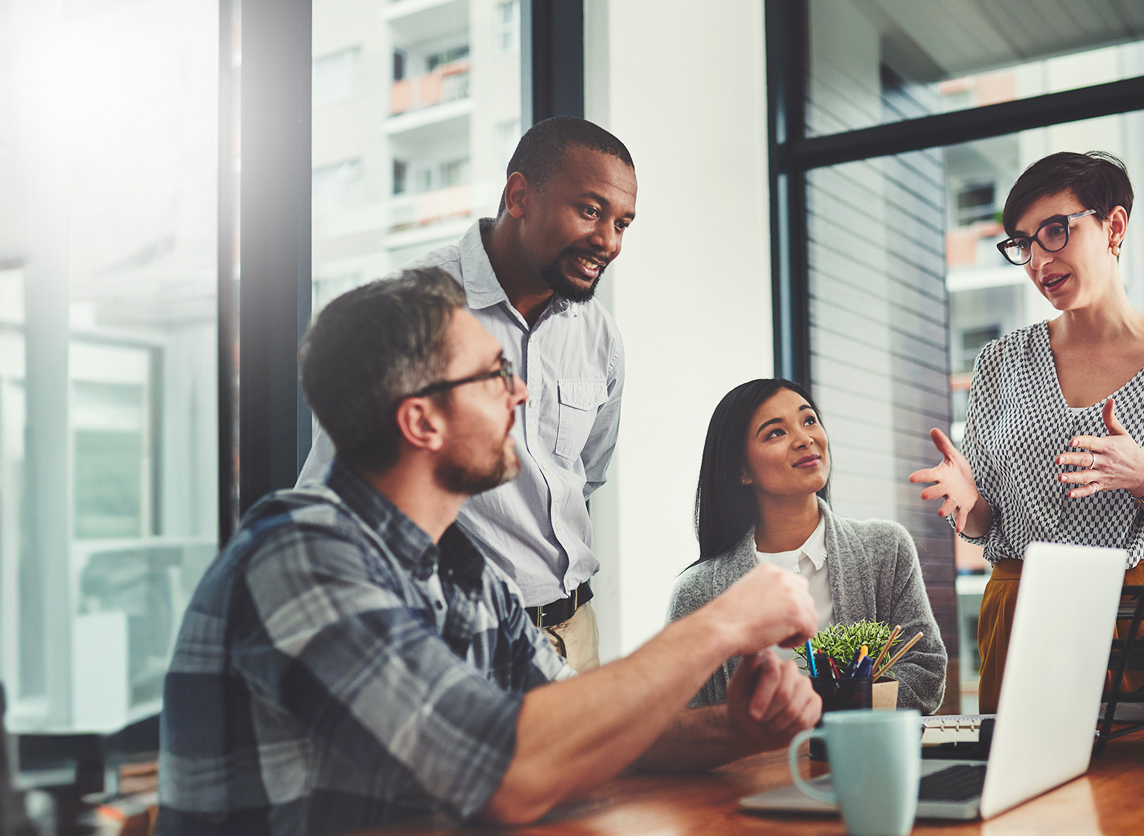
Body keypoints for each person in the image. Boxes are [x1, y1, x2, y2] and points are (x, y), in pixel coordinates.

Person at [158, 269, 822, 836]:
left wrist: (734, 730)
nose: (522, 392)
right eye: (495, 373)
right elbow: (506, 768)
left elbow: (581, 725)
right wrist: (723, 623)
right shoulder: (300, 556)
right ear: (421, 420)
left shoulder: (462, 564)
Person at [297, 117, 635, 672]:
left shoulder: (598, 335)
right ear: (519, 195)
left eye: (623, 222)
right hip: (452, 633)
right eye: (591, 211)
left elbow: (585, 473)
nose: (609, 241)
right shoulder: (418, 309)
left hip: (576, 628)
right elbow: (339, 489)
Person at [909, 151, 1144, 713]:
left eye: (1056, 232)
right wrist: (968, 505)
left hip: (1130, 616)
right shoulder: (1001, 362)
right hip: (1023, 611)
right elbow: (990, 518)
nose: (1039, 260)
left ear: (1114, 226)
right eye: (1024, 243)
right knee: (1018, 792)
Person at [669, 378, 947, 714]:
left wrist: (832, 711)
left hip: (862, 761)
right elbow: (682, 717)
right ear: (742, 470)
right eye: (776, 432)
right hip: (752, 767)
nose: (804, 439)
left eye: (809, 420)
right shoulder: (697, 592)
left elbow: (926, 671)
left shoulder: (886, 549)